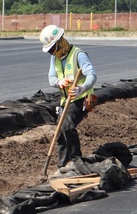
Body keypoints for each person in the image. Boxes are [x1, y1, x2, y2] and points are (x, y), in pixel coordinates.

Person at [39, 24, 97, 169]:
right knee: (59, 132)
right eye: (50, 50)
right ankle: (62, 165)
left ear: (60, 42)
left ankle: (77, 159)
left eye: (53, 48)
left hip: (82, 98)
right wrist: (59, 82)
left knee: (68, 125)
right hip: (66, 100)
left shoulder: (79, 55)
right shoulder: (55, 58)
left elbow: (92, 75)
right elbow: (51, 79)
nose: (52, 52)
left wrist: (81, 88)